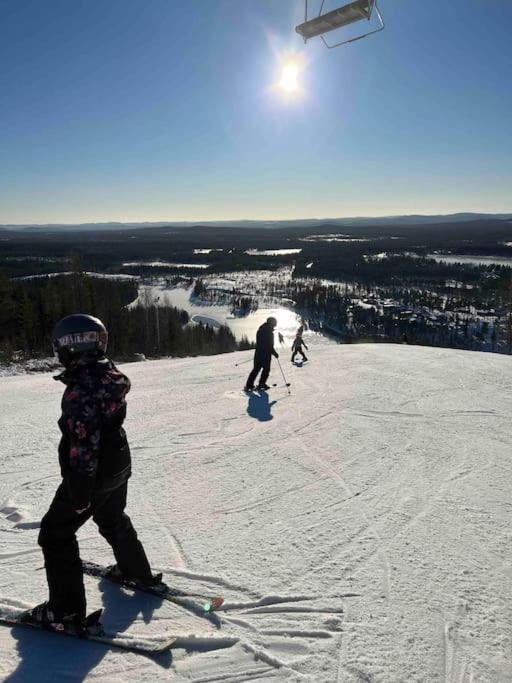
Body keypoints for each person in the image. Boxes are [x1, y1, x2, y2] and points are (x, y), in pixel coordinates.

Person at [26, 314, 154, 633]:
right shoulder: (108, 374)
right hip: (118, 465)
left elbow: (83, 442)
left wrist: (80, 491)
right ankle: (136, 572)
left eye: (59, 346)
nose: (58, 353)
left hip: (93, 474)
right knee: (111, 518)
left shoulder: (80, 390)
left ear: (71, 345)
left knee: (55, 533)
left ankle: (65, 611)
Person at [244, 316, 279, 391]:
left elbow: (262, 343)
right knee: (266, 370)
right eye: (274, 324)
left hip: (258, 353)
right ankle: (261, 384)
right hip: (265, 354)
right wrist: (274, 353)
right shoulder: (269, 332)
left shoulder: (260, 330)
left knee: (256, 369)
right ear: (271, 324)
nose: (274, 326)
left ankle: (249, 385)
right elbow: (269, 345)